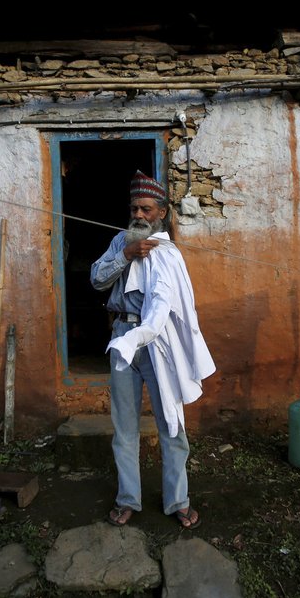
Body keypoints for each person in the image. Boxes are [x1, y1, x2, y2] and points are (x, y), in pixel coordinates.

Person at [90, 170, 216, 529]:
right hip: (121, 337)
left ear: (161, 212)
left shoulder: (170, 253)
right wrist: (126, 254)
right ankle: (128, 498)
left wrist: (146, 332)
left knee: (172, 423)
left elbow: (167, 306)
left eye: (146, 209)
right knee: (123, 426)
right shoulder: (120, 241)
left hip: (160, 346)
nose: (139, 215)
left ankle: (178, 499)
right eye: (134, 208)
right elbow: (97, 279)